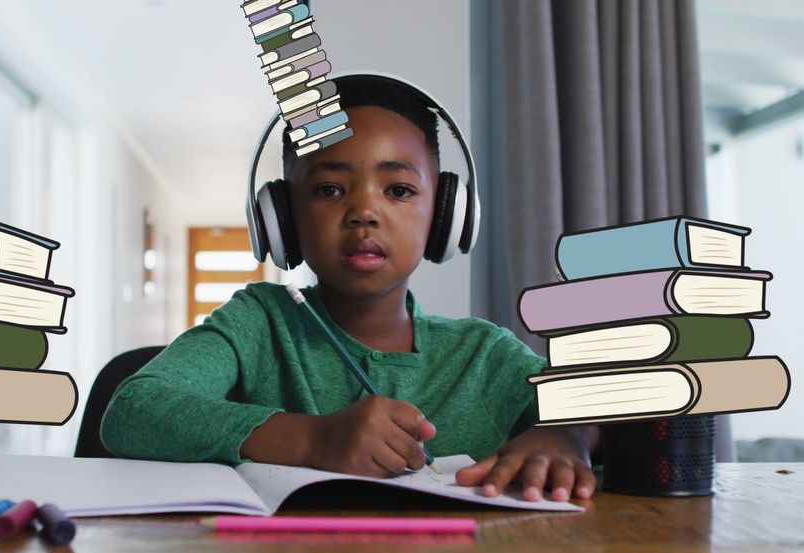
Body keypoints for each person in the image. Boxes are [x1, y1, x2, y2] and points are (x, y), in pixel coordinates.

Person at [101, 75, 597, 502]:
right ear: (284, 219)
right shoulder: (258, 322)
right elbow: (133, 411)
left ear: (446, 216)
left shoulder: (484, 355)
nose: (363, 211)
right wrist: (313, 441)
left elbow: (606, 402)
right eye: (329, 189)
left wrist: (565, 437)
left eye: (398, 190)